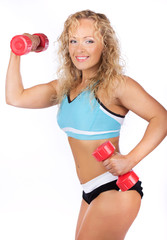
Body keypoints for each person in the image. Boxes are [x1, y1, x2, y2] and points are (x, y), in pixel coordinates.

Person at [6, 10, 167, 240]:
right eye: (73, 41)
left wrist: (130, 159)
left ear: (105, 45)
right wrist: (18, 50)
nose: (79, 49)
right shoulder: (64, 87)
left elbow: (161, 118)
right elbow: (16, 97)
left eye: (89, 41)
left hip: (116, 189)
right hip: (90, 191)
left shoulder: (116, 85)